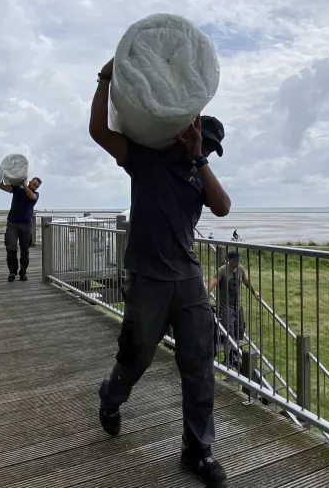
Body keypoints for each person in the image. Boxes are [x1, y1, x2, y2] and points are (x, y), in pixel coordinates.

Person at [89, 57, 232, 488]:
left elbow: (224, 207)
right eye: (201, 142)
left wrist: (199, 162)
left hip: (186, 278)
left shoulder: (198, 173)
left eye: (210, 149)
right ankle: (111, 398)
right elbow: (99, 132)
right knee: (135, 356)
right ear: (183, 132)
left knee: (199, 363)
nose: (204, 150)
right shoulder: (147, 160)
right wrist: (105, 77)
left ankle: (198, 451)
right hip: (148, 276)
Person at [206, 250, 260, 369]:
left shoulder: (240, 269)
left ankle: (235, 354)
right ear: (229, 260)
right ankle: (228, 358)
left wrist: (254, 292)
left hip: (238, 307)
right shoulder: (222, 270)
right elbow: (213, 282)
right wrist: (205, 296)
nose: (237, 262)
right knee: (228, 333)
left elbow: (246, 281)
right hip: (226, 309)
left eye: (238, 260)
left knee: (240, 331)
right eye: (235, 260)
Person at [0, 177, 42, 282]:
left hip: (26, 226)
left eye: (37, 186)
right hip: (12, 224)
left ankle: (23, 272)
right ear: (30, 181)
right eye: (33, 184)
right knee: (11, 248)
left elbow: (31, 197)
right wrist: (1, 176)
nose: (34, 187)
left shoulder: (35, 194)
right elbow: (2, 186)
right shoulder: (17, 189)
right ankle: (12, 272)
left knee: (25, 250)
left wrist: (24, 185)